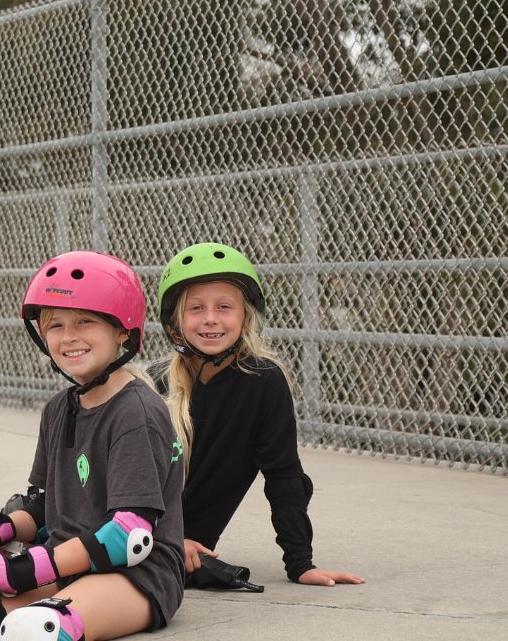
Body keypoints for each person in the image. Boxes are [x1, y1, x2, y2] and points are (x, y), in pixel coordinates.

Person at [0, 251, 184, 641]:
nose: (69, 336)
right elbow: (44, 506)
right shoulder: (59, 408)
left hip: (136, 575)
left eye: (85, 322)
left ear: (123, 331)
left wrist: (19, 570)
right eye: (55, 325)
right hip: (68, 564)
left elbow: (130, 537)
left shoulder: (136, 412)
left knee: (35, 630)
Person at [155, 241, 364, 588]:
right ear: (175, 322)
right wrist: (163, 537)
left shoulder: (264, 382)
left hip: (184, 547)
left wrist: (300, 563)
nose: (210, 318)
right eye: (196, 308)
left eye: (224, 307)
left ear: (245, 316)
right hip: (133, 531)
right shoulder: (155, 383)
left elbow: (284, 476)